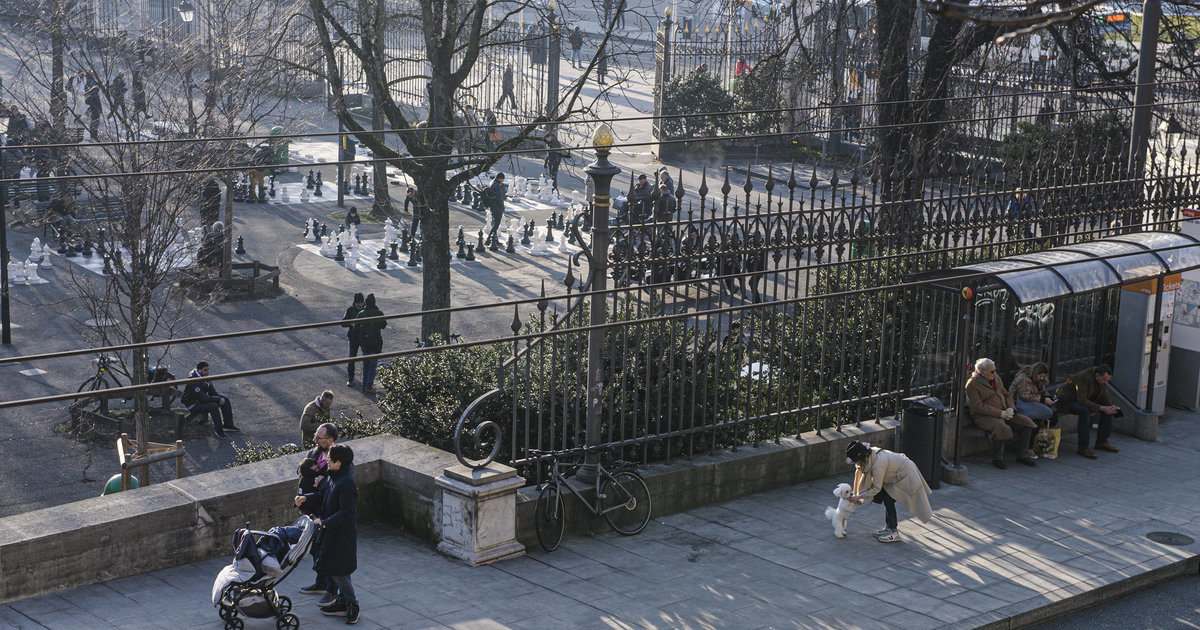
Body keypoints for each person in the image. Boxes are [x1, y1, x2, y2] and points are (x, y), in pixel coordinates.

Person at [295, 444, 359, 623]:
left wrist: (324, 523)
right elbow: (322, 496)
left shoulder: (346, 482)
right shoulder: (333, 477)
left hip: (341, 535)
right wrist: (306, 497)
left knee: (340, 572)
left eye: (329, 459)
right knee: (336, 569)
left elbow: (347, 512)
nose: (326, 461)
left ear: (338, 462)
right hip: (330, 531)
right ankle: (342, 601)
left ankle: (353, 605)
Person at [845, 440, 933, 544]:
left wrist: (860, 496)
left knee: (888, 500)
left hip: (905, 476)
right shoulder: (871, 456)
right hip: (896, 474)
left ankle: (894, 533)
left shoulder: (878, 464)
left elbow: (876, 488)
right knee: (886, 499)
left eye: (856, 461)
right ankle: (889, 529)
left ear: (862, 458)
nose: (856, 463)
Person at [965, 357, 1037, 468]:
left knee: (1026, 423)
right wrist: (1000, 413)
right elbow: (978, 407)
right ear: (982, 373)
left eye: (995, 370)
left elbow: (1007, 394)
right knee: (1001, 427)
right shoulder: (971, 384)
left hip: (1005, 411)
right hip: (984, 417)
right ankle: (997, 458)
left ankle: (1023, 455)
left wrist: (1011, 408)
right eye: (992, 371)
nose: (995, 373)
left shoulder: (996, 378)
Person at [297, 422, 338, 603]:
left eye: (318, 437)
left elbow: (340, 481)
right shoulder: (313, 453)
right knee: (315, 550)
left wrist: (324, 480)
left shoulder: (337, 458)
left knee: (328, 553)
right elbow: (303, 468)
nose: (314, 439)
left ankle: (331, 590)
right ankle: (321, 582)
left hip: (327, 512)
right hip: (312, 510)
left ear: (330, 440)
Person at [1055, 364, 1119, 459]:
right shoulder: (1083, 377)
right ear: (1097, 375)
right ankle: (1083, 447)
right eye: (1105, 380)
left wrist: (1110, 405)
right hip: (1065, 401)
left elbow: (1102, 395)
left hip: (1079, 399)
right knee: (1084, 411)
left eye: (1108, 380)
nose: (1106, 383)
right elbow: (1082, 400)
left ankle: (1102, 442)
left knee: (1108, 410)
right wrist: (1101, 407)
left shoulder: (1100, 379)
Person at [181, 360, 238, 438]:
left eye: (208, 369)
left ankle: (228, 425)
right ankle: (219, 431)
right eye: (205, 370)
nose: (207, 372)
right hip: (193, 404)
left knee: (225, 399)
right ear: (199, 370)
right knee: (213, 406)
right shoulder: (194, 380)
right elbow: (202, 398)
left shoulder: (205, 376)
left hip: (201, 400)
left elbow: (212, 390)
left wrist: (220, 397)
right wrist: (218, 399)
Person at [355, 294, 386, 395]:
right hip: (376, 342)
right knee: (373, 365)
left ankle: (364, 384)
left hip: (365, 343)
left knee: (366, 364)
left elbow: (356, 328)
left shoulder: (361, 314)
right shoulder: (379, 313)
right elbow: (383, 325)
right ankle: (369, 385)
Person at [341, 293, 365, 387]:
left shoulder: (366, 310)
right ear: (354, 303)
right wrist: (351, 323)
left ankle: (366, 380)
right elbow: (343, 323)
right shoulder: (350, 310)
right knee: (352, 358)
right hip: (353, 338)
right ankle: (350, 378)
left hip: (364, 338)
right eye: (358, 303)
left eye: (361, 303)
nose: (359, 305)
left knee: (366, 359)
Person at [485, 173, 507, 246]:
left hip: (493, 206)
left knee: (495, 223)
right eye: (503, 179)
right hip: (497, 207)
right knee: (496, 224)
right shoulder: (497, 186)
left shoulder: (492, 183)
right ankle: (488, 239)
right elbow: (499, 198)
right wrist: (502, 207)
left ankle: (495, 239)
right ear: (500, 178)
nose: (503, 181)